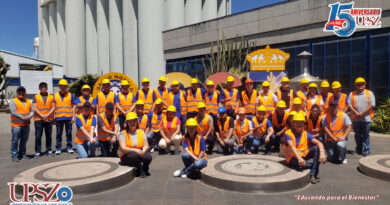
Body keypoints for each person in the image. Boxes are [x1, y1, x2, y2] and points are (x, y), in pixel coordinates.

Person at [284, 113, 327, 184]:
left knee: (317, 148)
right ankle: (314, 169)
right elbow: (291, 147)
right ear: (293, 123)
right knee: (304, 164)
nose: (299, 124)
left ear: (304, 124)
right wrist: (299, 158)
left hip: (303, 155)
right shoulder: (288, 133)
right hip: (292, 157)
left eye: (301, 122)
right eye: (297, 122)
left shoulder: (305, 133)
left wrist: (322, 153)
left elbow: (319, 143)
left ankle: (312, 174)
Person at [119, 112, 152, 178]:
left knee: (148, 157)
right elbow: (123, 148)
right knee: (133, 155)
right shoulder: (123, 133)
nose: (132, 123)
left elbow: (146, 145)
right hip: (127, 155)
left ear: (136, 122)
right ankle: (140, 169)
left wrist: (143, 151)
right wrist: (136, 150)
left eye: (134, 121)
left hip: (139, 153)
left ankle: (145, 168)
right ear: (127, 123)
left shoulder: (141, 132)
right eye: (130, 121)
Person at [348, 77, 375, 156]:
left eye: (361, 84)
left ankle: (367, 150)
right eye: (357, 84)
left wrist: (362, 113)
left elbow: (372, 104)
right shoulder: (352, 94)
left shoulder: (369, 93)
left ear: (364, 85)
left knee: (366, 135)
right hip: (356, 119)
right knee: (357, 135)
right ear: (355, 86)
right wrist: (356, 112)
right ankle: (359, 150)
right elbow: (349, 105)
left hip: (366, 118)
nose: (359, 86)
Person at [10, 86, 33, 162]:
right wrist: (23, 117)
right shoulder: (13, 101)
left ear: (25, 93)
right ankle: (14, 155)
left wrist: (28, 117)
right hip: (16, 126)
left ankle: (22, 154)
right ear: (16, 93)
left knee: (24, 140)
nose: (21, 93)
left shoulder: (28, 101)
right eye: (19, 91)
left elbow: (32, 111)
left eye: (23, 91)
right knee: (15, 141)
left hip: (26, 125)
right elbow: (13, 112)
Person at [33, 82, 55, 158]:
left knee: (48, 136)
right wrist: (42, 116)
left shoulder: (51, 97)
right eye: (42, 87)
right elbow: (35, 108)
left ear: (47, 88)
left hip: (48, 119)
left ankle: (48, 150)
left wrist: (47, 115)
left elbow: (53, 107)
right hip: (38, 119)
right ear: (39, 88)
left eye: (45, 87)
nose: (44, 88)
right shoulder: (36, 97)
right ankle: (38, 152)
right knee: (38, 136)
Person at [54, 79, 76, 155]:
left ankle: (69, 147)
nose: (63, 87)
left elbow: (73, 107)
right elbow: (53, 107)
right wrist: (54, 118)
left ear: (66, 87)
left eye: (64, 86)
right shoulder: (55, 95)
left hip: (68, 117)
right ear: (59, 86)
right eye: (61, 86)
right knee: (58, 133)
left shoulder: (71, 95)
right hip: (59, 117)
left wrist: (73, 117)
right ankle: (58, 148)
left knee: (69, 133)